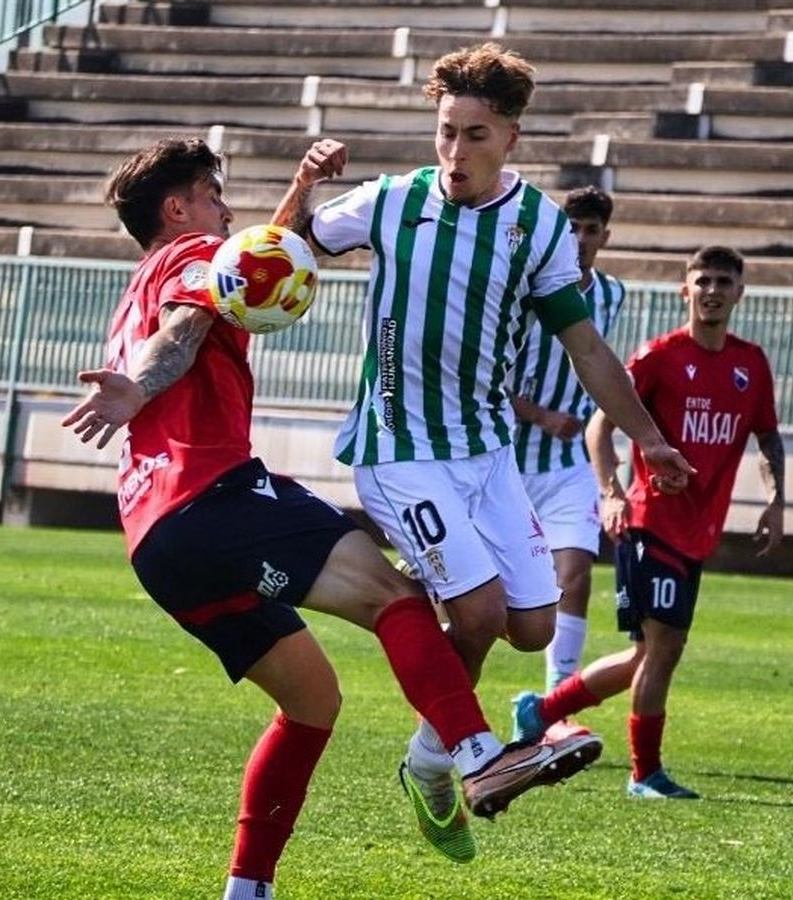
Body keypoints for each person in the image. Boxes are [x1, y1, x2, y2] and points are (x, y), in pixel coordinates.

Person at [61, 138, 581, 897]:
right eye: (212, 194)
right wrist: (140, 390)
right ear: (178, 210)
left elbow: (248, 273)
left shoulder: (146, 277)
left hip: (157, 542)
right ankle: (476, 755)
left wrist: (301, 191)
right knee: (396, 597)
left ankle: (249, 889)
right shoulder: (193, 256)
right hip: (216, 497)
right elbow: (184, 332)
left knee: (313, 701)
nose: (226, 212)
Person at [272, 44, 695, 852]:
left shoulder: (537, 225)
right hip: (397, 446)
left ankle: (428, 760)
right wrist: (304, 183)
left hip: (486, 453)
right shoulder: (391, 202)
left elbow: (587, 347)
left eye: (474, 135)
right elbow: (277, 254)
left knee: (530, 628)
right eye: (444, 132)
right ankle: (469, 757)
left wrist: (650, 439)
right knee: (479, 609)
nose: (454, 152)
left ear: (511, 139)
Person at [510, 245, 787, 800]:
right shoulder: (660, 356)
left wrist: (776, 500)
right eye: (702, 280)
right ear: (685, 290)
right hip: (649, 521)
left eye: (723, 282)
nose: (712, 290)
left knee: (646, 653)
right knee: (664, 649)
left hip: (698, 532)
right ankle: (645, 774)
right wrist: (611, 493)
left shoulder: (750, 364)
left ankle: (540, 710)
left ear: (739, 293)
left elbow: (768, 436)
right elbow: (598, 428)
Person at [508, 186, 626, 718]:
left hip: (568, 463)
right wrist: (539, 415)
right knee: (476, 596)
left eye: (590, 230)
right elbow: (484, 378)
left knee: (575, 573)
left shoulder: (612, 295)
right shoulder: (524, 294)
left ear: (605, 236)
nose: (580, 239)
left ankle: (557, 702)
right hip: (505, 460)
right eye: (572, 228)